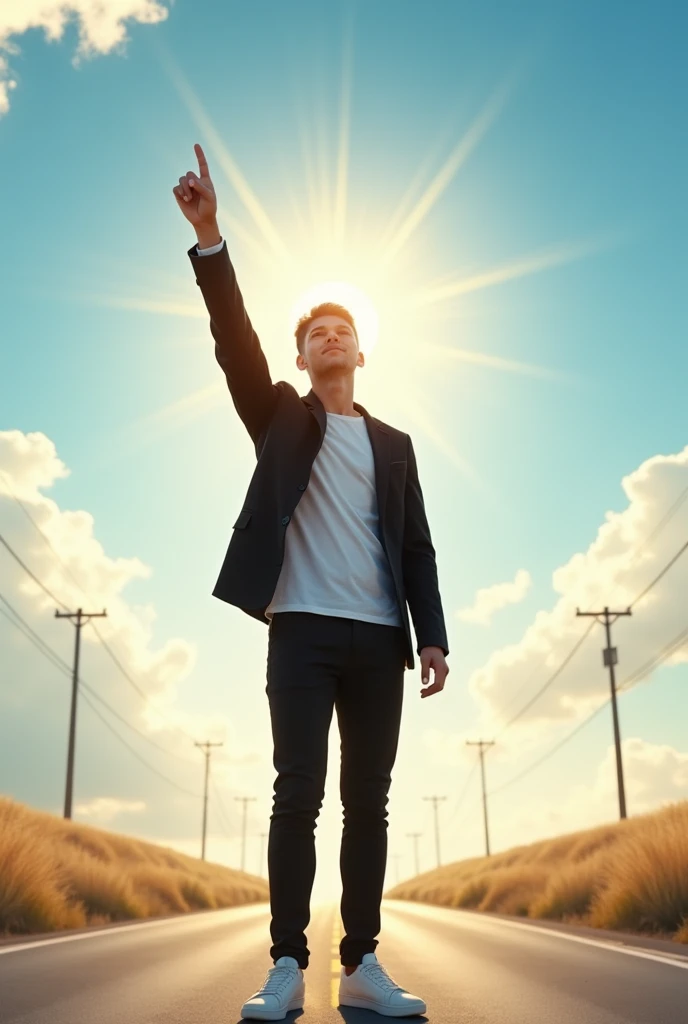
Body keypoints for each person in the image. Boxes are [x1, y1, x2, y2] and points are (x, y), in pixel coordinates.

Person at [173, 143, 450, 1021]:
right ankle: (287, 965)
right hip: (298, 626)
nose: (329, 340)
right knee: (300, 794)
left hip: (378, 639)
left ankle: (362, 963)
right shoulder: (281, 419)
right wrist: (212, 238)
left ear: (362, 353)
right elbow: (233, 344)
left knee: (368, 804)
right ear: (302, 359)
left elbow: (418, 548)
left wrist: (432, 634)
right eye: (314, 335)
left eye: (341, 332)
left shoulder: (395, 446)